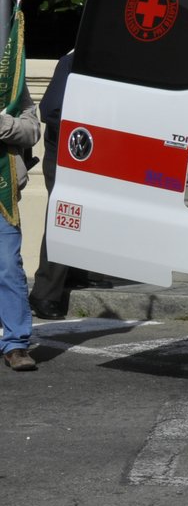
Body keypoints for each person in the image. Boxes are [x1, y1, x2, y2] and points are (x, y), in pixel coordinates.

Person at [29, 51, 106, 320]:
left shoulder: (105, 60)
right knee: (64, 220)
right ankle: (44, 294)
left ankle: (75, 273)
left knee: (81, 217)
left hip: (86, 155)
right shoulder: (74, 60)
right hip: (66, 154)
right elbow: (50, 109)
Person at [1, 77, 42, 372]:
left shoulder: (10, 78)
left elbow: (32, 131)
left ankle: (16, 344)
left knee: (8, 266)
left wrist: (4, 125)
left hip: (3, 190)